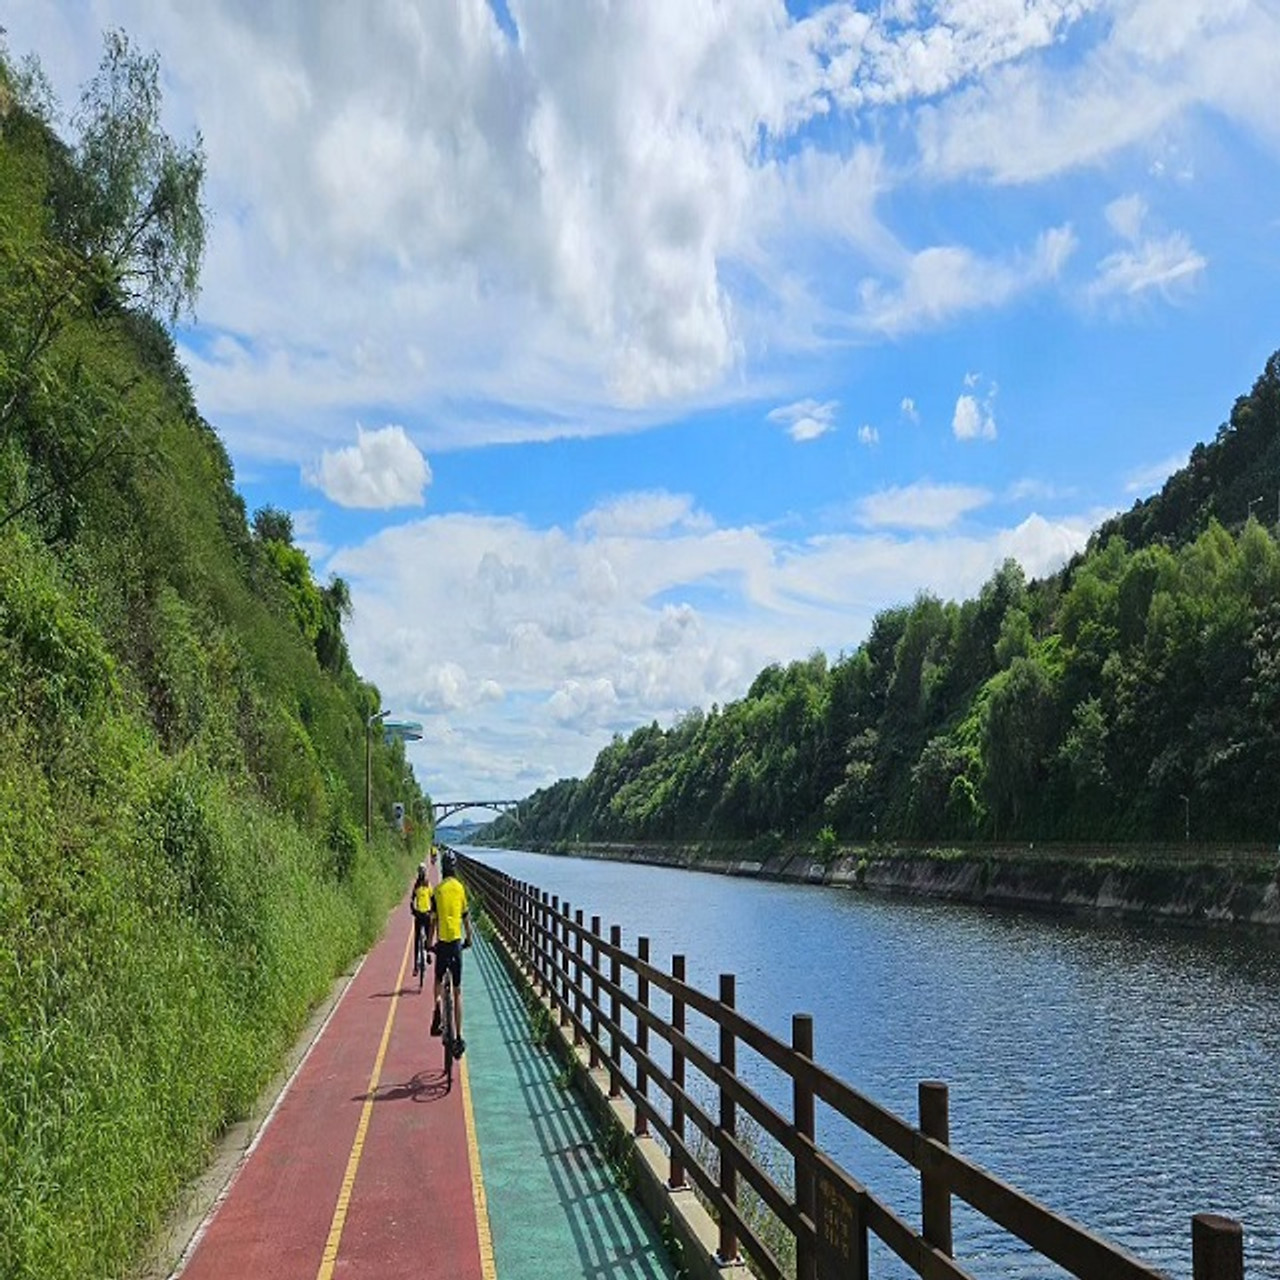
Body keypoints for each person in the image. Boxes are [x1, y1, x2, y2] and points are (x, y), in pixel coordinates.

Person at [427, 848, 473, 1058]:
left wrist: (429, 942)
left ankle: (437, 1007)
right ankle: (460, 1036)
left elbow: (433, 920)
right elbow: (465, 917)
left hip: (442, 945)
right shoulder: (461, 889)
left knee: (437, 980)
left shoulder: (437, 891)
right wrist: (469, 938)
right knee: (457, 991)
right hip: (456, 944)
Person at [410, 862, 432, 979]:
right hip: (421, 915)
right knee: (420, 938)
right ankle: (416, 965)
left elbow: (432, 898)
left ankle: (427, 954)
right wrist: (413, 909)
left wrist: (432, 910)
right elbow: (411, 900)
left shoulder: (425, 885)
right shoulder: (419, 885)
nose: (422, 873)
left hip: (424, 915)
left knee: (425, 937)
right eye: (421, 871)